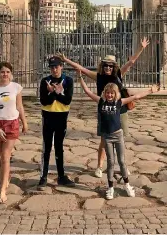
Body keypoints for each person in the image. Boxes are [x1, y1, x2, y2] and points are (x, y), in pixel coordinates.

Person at [56, 37, 149, 178]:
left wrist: (141, 48)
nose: (108, 68)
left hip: (120, 110)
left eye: (110, 66)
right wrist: (65, 60)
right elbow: (80, 68)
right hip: (104, 111)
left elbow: (131, 62)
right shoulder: (98, 76)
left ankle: (121, 166)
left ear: (114, 67)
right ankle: (99, 166)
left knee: (120, 139)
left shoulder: (119, 74)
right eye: (105, 65)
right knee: (104, 141)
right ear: (102, 65)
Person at [77, 71, 157, 200]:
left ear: (115, 94)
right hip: (107, 137)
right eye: (107, 92)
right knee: (110, 162)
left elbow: (135, 97)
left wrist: (150, 91)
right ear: (104, 93)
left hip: (118, 135)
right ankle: (110, 188)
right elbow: (87, 91)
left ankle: (127, 184)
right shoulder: (101, 101)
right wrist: (80, 77)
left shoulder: (119, 102)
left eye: (112, 93)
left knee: (121, 161)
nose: (109, 95)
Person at [0, 61, 28, 204]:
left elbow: (19, 106)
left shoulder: (16, 87)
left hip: (12, 122)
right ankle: (5, 175)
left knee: (5, 156)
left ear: (11, 74)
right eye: (2, 72)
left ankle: (2, 190)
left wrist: (24, 122)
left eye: (7, 72)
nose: (5, 74)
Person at [38, 55, 75, 189]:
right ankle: (43, 176)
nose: (54, 69)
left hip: (61, 116)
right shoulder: (45, 81)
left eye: (57, 66)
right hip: (47, 116)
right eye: (52, 67)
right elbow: (44, 101)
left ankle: (61, 176)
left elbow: (67, 100)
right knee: (46, 148)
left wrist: (57, 94)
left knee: (59, 147)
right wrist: (55, 92)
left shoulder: (68, 81)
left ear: (61, 67)